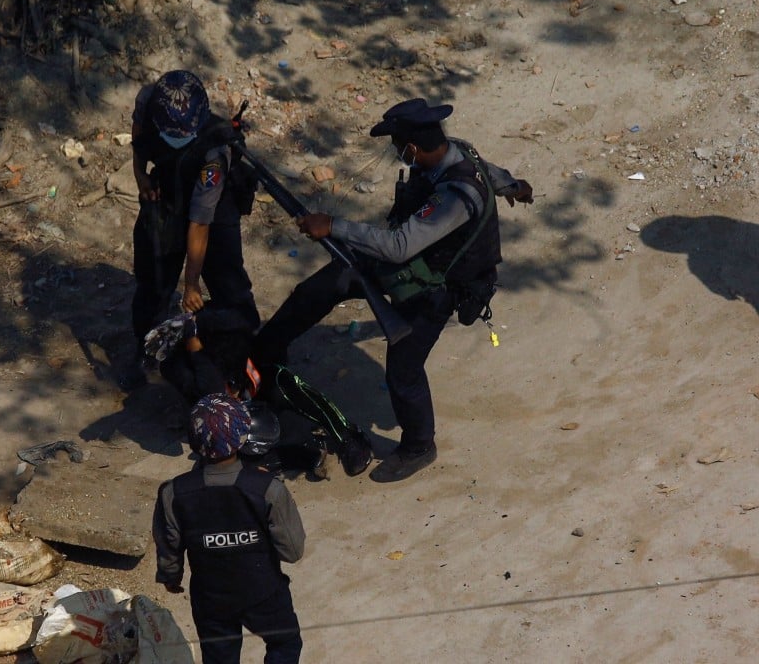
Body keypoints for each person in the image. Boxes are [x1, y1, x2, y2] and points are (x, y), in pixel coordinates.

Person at [252, 98, 534, 483]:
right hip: (414, 265)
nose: (396, 153)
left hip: (439, 287)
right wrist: (516, 187)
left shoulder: (455, 197)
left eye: (397, 146)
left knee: (404, 368)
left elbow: (398, 245)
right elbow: (495, 174)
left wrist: (333, 225)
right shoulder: (459, 151)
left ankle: (419, 445)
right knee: (329, 282)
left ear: (412, 148)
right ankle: (265, 350)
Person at [122, 70, 259, 389]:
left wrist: (192, 284)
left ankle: (238, 350)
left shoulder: (214, 154)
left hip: (213, 209)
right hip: (166, 195)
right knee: (153, 282)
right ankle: (148, 350)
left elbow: (200, 222)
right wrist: (141, 177)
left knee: (230, 286)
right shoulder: (149, 99)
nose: (177, 135)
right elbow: (139, 137)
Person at [153, 394, 305, 664]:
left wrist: (171, 576)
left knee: (219, 658)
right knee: (285, 642)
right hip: (264, 593)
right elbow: (292, 551)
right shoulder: (268, 489)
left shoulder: (174, 493)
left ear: (194, 440)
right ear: (242, 437)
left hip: (211, 598)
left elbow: (170, 545)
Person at [144, 305, 373, 477]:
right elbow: (207, 377)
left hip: (249, 387)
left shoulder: (234, 348)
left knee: (285, 384)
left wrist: (192, 332)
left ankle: (346, 436)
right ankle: (303, 457)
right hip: (225, 413)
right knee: (244, 452)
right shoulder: (207, 394)